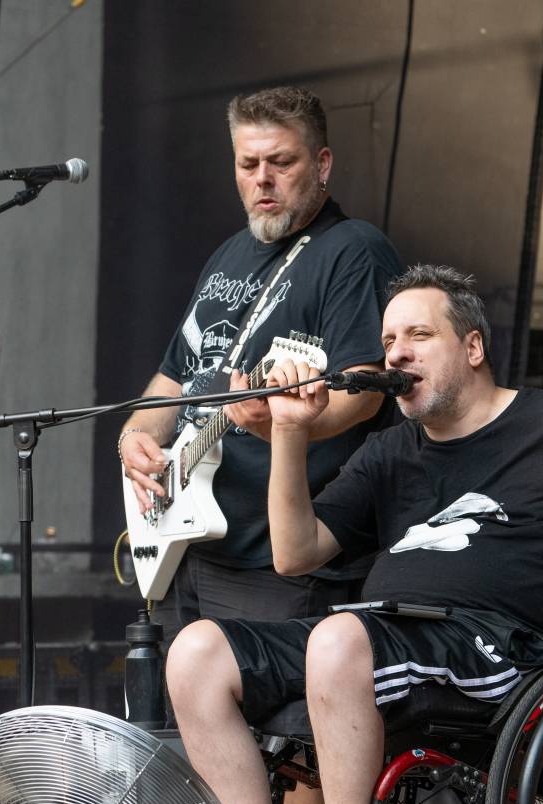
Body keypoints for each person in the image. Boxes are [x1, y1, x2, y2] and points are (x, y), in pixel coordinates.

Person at [167, 264, 543, 804]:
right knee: (195, 652)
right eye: (388, 342)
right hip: (384, 634)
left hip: (508, 652)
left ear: (472, 348)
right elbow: (295, 553)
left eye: (418, 335)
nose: (397, 353)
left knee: (339, 640)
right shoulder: (391, 451)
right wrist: (288, 430)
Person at [119, 85, 402, 637]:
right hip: (187, 534)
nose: (262, 179)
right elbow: (176, 375)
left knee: (267, 720)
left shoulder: (353, 251)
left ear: (322, 164)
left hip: (278, 556)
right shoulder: (229, 252)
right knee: (184, 717)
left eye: (281, 162)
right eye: (247, 164)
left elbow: (366, 390)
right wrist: (132, 437)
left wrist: (288, 425)